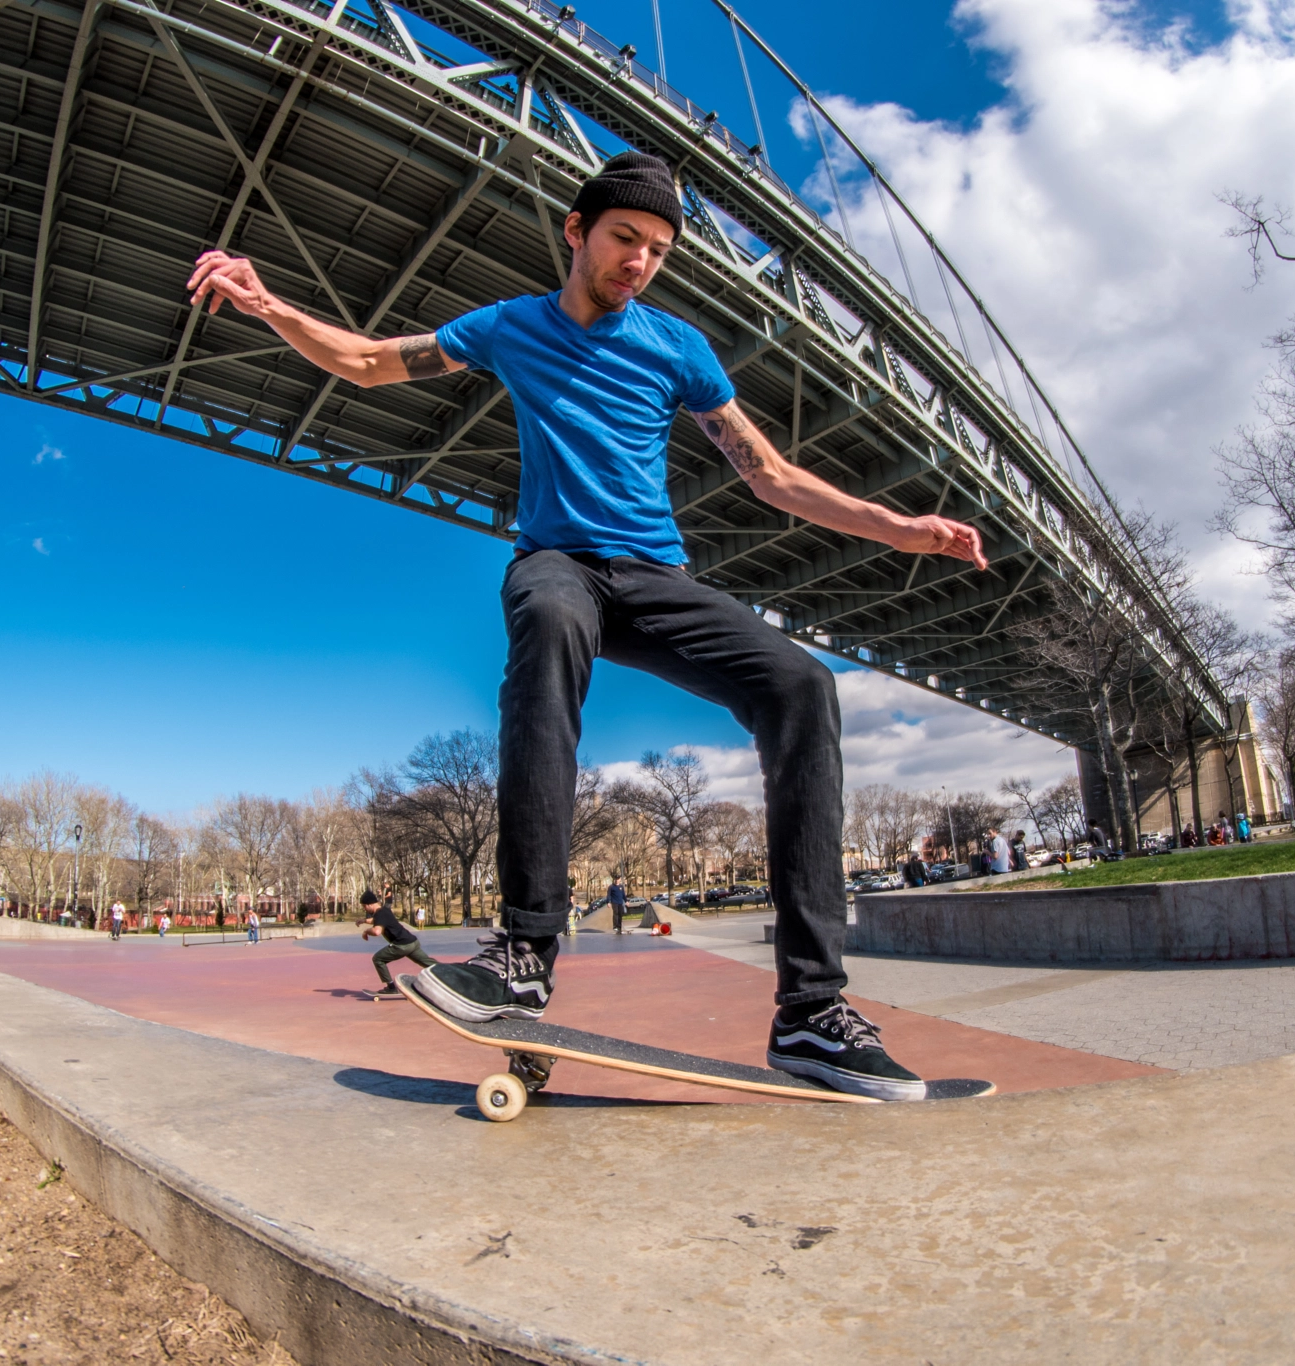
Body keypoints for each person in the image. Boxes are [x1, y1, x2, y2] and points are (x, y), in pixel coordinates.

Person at [186, 152, 986, 1101]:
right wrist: (268, 304)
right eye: (623, 240)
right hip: (558, 562)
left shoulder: (678, 347)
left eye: (656, 250)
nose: (639, 263)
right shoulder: (507, 327)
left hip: (653, 576)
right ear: (576, 230)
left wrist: (899, 527)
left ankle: (812, 1012)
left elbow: (767, 474)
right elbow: (366, 364)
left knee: (802, 685)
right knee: (551, 621)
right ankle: (523, 949)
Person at [361, 886, 438, 999]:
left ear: (369, 904)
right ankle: (451, 974)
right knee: (428, 963)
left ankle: (391, 988)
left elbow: (377, 931)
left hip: (402, 945)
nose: (364, 909)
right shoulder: (384, 911)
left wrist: (366, 931)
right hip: (412, 942)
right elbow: (375, 920)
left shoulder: (379, 914)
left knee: (378, 959)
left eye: (364, 907)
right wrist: (363, 921)